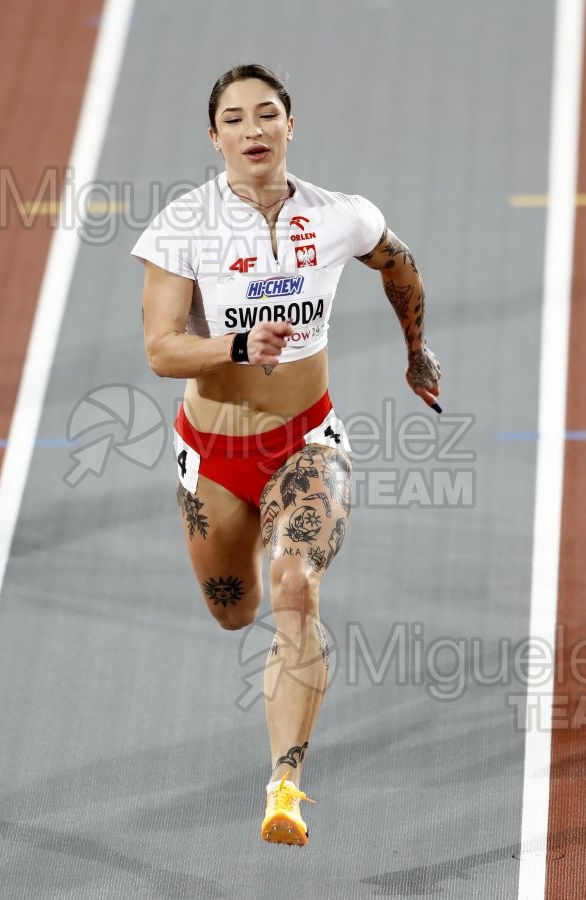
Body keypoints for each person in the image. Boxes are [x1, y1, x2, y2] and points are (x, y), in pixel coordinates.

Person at [132, 63, 441, 846]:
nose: (252, 129)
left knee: (295, 587)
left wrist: (417, 350)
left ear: (290, 125)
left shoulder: (342, 216)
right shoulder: (182, 224)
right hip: (213, 455)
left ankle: (284, 787)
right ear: (214, 136)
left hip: (306, 440)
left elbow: (398, 266)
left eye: (266, 114)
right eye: (234, 118)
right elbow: (162, 351)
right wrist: (237, 343)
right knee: (235, 612)